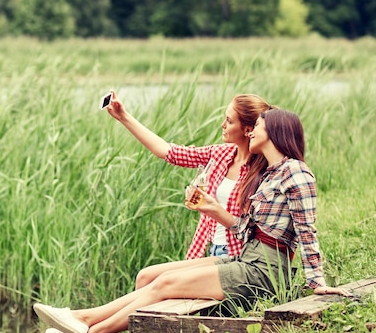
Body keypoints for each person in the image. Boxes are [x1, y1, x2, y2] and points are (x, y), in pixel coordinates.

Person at [34, 108, 353, 333]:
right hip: (245, 258)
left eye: (258, 126)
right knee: (153, 276)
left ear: (276, 132)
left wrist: (317, 282)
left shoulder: (297, 174)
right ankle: (83, 322)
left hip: (265, 272)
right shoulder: (269, 173)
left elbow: (307, 232)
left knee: (166, 285)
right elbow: (246, 228)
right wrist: (215, 209)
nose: (252, 130)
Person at [104, 90, 272, 260]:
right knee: (153, 278)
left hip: (237, 255)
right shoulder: (221, 154)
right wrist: (123, 117)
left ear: (248, 130)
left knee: (162, 281)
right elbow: (169, 152)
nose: (222, 124)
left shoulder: (262, 169)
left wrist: (212, 207)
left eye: (229, 121)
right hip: (210, 249)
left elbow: (256, 229)